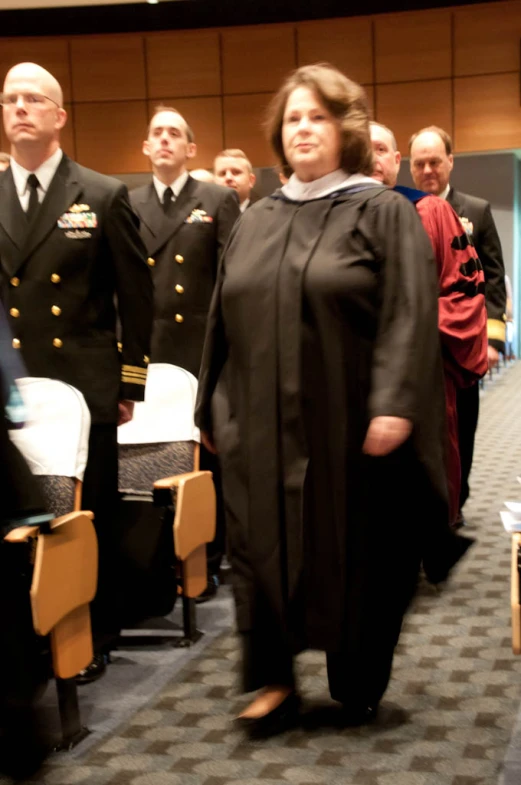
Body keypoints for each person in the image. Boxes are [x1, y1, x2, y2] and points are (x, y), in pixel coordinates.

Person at [195, 63, 473, 737]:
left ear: (344, 128)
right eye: (292, 118)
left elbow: (409, 313)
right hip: (259, 422)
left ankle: (356, 674)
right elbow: (221, 318)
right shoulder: (255, 219)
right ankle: (273, 677)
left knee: (356, 546)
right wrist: (210, 407)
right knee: (259, 546)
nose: (302, 129)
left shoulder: (379, 212)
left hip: (347, 421)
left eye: (317, 116)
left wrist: (394, 401)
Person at [0, 62, 154, 683]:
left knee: (90, 515)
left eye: (34, 99)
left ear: (60, 116)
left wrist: (129, 382)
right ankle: (26, 631)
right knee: (20, 511)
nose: (20, 109)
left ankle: (95, 629)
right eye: (10, 99)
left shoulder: (101, 192)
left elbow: (136, 297)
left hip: (84, 384)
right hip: (12, 381)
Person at [130, 106, 240, 601]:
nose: (166, 140)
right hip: (152, 352)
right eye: (158, 134)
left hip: (200, 350)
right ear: (147, 148)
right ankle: (158, 563)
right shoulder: (127, 203)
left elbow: (230, 281)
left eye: (176, 133)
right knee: (149, 457)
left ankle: (208, 559)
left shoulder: (216, 198)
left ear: (191, 148)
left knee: (205, 459)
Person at [370, 121, 488, 526]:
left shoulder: (432, 211)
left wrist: (407, 323)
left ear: (395, 160)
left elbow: (467, 291)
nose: (372, 158)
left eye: (381, 149)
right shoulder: (324, 216)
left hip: (423, 368)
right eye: (362, 148)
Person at [409, 126, 506, 526]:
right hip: (420, 349)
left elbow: (494, 279)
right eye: (420, 163)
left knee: (461, 425)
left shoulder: (476, 210)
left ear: (451, 161)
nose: (428, 170)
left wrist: (493, 339)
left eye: (435, 161)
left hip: (464, 344)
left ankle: (457, 501)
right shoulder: (401, 210)